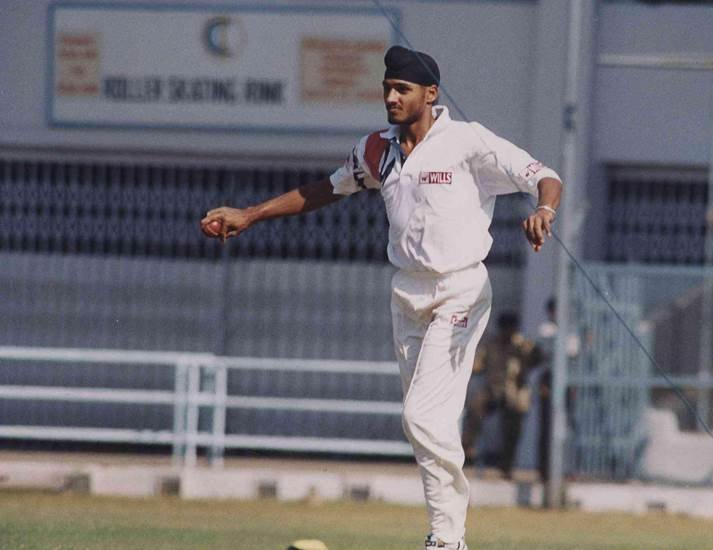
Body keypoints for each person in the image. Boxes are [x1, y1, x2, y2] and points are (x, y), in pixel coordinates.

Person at [200, 45, 563, 550]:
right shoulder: (376, 148)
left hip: (459, 288)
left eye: (402, 89)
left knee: (422, 418)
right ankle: (447, 537)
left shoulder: (467, 142)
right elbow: (325, 189)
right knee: (427, 424)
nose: (391, 97)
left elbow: (544, 176)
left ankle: (447, 539)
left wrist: (544, 211)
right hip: (407, 292)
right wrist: (250, 214)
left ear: (430, 94)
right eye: (387, 88)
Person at [461, 311, 542, 477]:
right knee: (475, 407)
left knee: (514, 424)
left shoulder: (522, 345)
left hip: (514, 392)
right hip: (493, 390)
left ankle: (507, 465)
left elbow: (536, 359)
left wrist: (523, 348)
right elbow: (477, 365)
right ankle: (466, 449)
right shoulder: (491, 344)